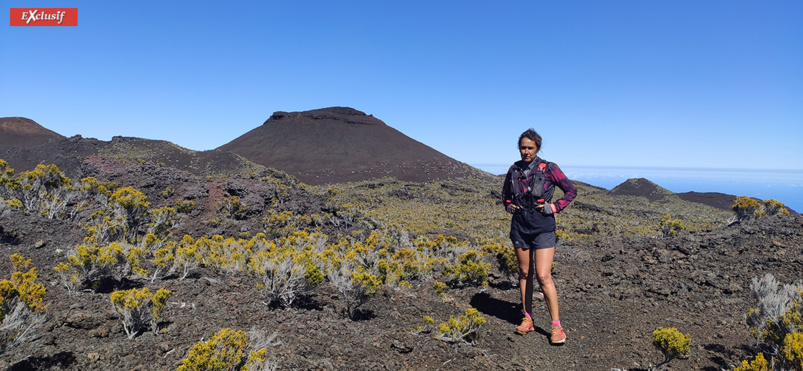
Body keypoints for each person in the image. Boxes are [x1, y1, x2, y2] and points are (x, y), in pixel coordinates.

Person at [502, 128, 576, 344]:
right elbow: (505, 196)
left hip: (543, 227)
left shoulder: (549, 168)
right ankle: (528, 318)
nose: (526, 151)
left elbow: (571, 191)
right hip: (520, 227)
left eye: (530, 148)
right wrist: (510, 207)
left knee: (543, 276)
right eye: (523, 147)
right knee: (524, 273)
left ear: (537, 148)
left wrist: (553, 207)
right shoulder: (514, 170)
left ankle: (556, 327)